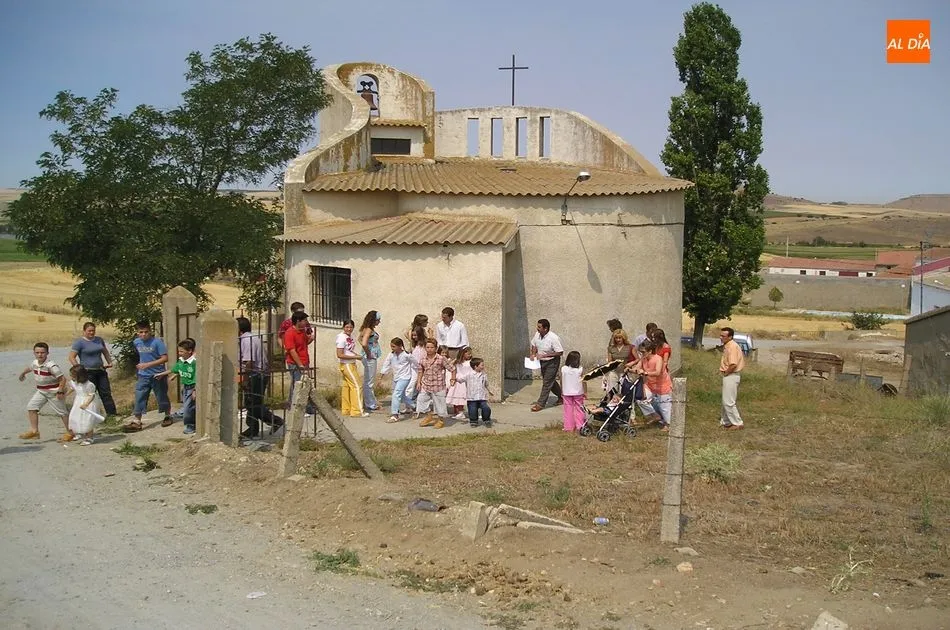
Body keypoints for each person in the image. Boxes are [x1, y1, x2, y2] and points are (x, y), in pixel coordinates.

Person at [238, 317, 283, 438]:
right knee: (251, 403)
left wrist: (245, 379)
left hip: (256, 375)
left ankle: (275, 421)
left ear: (239, 329)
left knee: (253, 403)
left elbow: (249, 362)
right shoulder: (251, 337)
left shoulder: (246, 340)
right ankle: (252, 428)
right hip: (259, 373)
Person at [18, 342, 71, 441]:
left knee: (62, 412)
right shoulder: (35, 363)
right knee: (31, 407)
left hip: (54, 392)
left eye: (42, 352)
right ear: (34, 353)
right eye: (37, 352)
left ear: (47, 353)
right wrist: (23, 373)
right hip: (41, 391)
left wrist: (60, 391)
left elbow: (63, 379)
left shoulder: (51, 366)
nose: (40, 355)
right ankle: (35, 432)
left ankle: (70, 432)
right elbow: (30, 368)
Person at [124, 320, 171, 433]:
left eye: (146, 332)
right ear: (137, 333)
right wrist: (142, 365)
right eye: (141, 332)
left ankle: (167, 415)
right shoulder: (137, 342)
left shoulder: (157, 342)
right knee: (140, 396)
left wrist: (148, 364)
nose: (144, 334)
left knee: (161, 396)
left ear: (150, 331)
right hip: (143, 375)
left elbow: (165, 358)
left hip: (157, 374)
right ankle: (137, 420)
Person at [67, 322, 117, 418]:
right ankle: (89, 415)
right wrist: (79, 369)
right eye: (89, 331)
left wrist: (109, 362)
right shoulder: (79, 343)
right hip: (88, 372)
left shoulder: (99, 340)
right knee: (90, 394)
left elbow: (105, 351)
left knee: (105, 393)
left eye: (93, 330)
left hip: (100, 370)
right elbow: (71, 357)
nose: (91, 332)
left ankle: (112, 415)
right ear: (84, 331)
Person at [155, 339, 198, 434]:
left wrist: (195, 390)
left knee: (188, 408)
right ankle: (185, 415)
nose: (179, 353)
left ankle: (191, 425)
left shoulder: (194, 363)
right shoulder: (181, 361)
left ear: (190, 351)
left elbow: (197, 377)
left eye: (182, 351)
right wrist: (162, 374)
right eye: (179, 351)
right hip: (186, 387)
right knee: (188, 406)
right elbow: (174, 369)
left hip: (192, 388)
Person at [416, 339, 455, 429]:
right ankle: (429, 416)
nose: (429, 349)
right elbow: (420, 370)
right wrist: (419, 382)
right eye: (427, 347)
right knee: (421, 400)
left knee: (439, 404)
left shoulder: (441, 359)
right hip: (426, 384)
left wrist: (453, 378)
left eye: (432, 347)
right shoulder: (422, 359)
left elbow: (452, 368)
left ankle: (440, 420)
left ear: (436, 348)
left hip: (438, 385)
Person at [634, 340, 673, 430]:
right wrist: (631, 369)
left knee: (664, 406)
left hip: (662, 385)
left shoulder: (658, 358)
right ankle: (654, 415)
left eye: (643, 352)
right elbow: (637, 367)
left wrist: (645, 373)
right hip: (650, 385)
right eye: (641, 352)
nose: (642, 354)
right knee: (640, 398)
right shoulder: (643, 359)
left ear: (650, 351)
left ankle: (668, 425)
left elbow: (658, 372)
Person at [377, 337, 418, 423]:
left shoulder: (407, 355)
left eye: (394, 346)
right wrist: (380, 377)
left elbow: (416, 364)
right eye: (391, 346)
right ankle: (414, 407)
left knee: (396, 394)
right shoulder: (391, 355)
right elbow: (386, 365)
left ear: (400, 346)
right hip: (396, 377)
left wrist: (418, 374)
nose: (392, 348)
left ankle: (395, 415)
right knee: (402, 397)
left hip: (405, 377)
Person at [284, 310, 315, 415]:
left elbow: (305, 343)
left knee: (303, 384)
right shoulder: (290, 333)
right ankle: (296, 408)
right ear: (298, 321)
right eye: (304, 320)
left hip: (304, 360)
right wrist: (300, 365)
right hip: (295, 363)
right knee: (298, 384)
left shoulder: (302, 331)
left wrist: (311, 338)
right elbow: (292, 350)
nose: (306, 322)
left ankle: (300, 407)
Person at [529, 319, 564, 411]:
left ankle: (540, 404)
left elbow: (560, 352)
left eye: (539, 327)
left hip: (552, 362)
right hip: (542, 361)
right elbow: (534, 344)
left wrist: (545, 355)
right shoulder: (537, 335)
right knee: (550, 381)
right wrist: (533, 354)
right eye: (538, 326)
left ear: (546, 328)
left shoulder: (553, 338)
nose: (537, 329)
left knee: (547, 383)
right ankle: (562, 397)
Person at [336, 319, 367, 418]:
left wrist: (356, 355)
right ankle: (357, 410)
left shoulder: (349, 337)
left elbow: (348, 350)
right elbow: (340, 354)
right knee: (357, 386)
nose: (349, 329)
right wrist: (355, 357)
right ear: (343, 327)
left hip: (351, 363)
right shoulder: (341, 338)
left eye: (351, 327)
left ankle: (347, 409)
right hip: (347, 364)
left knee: (347, 387)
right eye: (347, 327)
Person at [68, 365, 103, 445]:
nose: (71, 377)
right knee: (76, 417)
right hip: (78, 402)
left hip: (87, 403)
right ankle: (79, 432)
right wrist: (65, 394)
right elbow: (72, 388)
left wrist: (86, 404)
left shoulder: (89, 385)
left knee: (87, 420)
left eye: (73, 376)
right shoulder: (74, 383)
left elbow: (91, 395)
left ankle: (89, 437)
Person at [719, 327, 746, 430]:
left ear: (730, 337)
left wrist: (726, 372)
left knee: (728, 401)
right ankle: (726, 421)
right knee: (725, 400)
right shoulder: (728, 346)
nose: (721, 338)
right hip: (729, 375)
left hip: (731, 375)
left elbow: (733, 364)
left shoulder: (732, 347)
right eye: (720, 335)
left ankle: (737, 423)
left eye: (723, 336)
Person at [456, 357, 493, 427]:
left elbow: (486, 384)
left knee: (486, 408)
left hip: (482, 397)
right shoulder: (469, 375)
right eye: (482, 365)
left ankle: (486, 420)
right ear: (476, 366)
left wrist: (489, 391)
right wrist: (454, 377)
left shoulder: (484, 375)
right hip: (472, 397)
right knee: (472, 410)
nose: (483, 367)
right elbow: (460, 379)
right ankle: (473, 421)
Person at [358, 310, 383, 412]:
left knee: (368, 380)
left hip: (369, 355)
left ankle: (370, 400)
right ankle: (370, 404)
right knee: (369, 381)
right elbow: (364, 343)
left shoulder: (365, 329)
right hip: (370, 357)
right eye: (378, 320)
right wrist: (368, 353)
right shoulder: (368, 330)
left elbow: (359, 338)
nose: (379, 322)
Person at [404, 326, 428, 417]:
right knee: (410, 386)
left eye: (415, 335)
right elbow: (407, 333)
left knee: (421, 387)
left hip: (422, 368)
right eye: (413, 335)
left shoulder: (424, 344)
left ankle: (422, 407)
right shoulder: (414, 344)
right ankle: (408, 405)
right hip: (414, 368)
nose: (413, 337)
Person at [560, 350, 586, 432]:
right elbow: (584, 381)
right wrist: (585, 391)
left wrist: (562, 390)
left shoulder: (563, 369)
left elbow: (561, 380)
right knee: (579, 408)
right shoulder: (580, 369)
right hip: (578, 392)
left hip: (566, 391)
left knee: (568, 409)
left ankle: (568, 427)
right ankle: (580, 425)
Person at [445, 346, 473, 420]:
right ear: (462, 354)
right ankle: (458, 412)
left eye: (470, 354)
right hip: (457, 381)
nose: (469, 355)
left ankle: (461, 412)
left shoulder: (471, 362)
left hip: (465, 381)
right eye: (468, 353)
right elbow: (451, 367)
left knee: (462, 397)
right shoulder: (457, 362)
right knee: (456, 397)